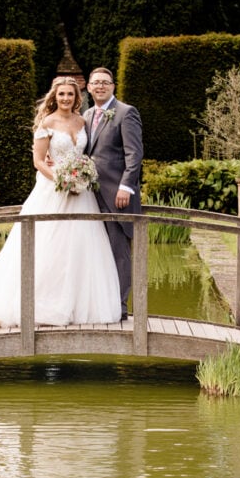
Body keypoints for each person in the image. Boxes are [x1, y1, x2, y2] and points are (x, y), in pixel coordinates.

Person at [0, 77, 121, 334]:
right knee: (46, 245)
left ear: (77, 97)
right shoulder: (47, 123)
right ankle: (40, 304)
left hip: (81, 195)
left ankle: (76, 305)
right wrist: (62, 179)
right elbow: (39, 161)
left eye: (70, 95)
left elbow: (85, 155)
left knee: (79, 247)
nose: (65, 99)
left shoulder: (82, 121)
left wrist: (81, 178)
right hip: (53, 191)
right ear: (55, 96)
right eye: (61, 94)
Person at [83, 67, 143, 320]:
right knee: (94, 251)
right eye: (95, 83)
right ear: (88, 87)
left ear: (113, 86)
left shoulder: (126, 112)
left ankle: (119, 307)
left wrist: (126, 187)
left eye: (104, 83)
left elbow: (134, 154)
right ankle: (97, 304)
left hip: (117, 196)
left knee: (119, 252)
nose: (100, 86)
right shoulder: (86, 115)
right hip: (89, 195)